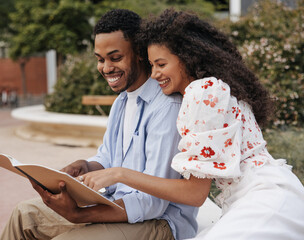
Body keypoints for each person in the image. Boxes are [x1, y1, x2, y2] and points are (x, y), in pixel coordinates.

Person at [80, 9, 304, 239]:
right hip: (263, 194)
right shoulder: (209, 89)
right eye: (151, 65)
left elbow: (195, 194)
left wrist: (120, 174)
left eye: (161, 64)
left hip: (266, 200)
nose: (154, 74)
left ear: (186, 58)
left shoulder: (201, 93)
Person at [0, 9, 197, 240]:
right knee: (24, 215)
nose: (106, 68)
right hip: (117, 204)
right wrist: (85, 165)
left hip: (160, 223)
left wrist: (79, 215)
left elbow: (153, 204)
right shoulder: (122, 102)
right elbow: (108, 157)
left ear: (140, 54)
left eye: (115, 58)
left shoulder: (166, 107)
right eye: (100, 59)